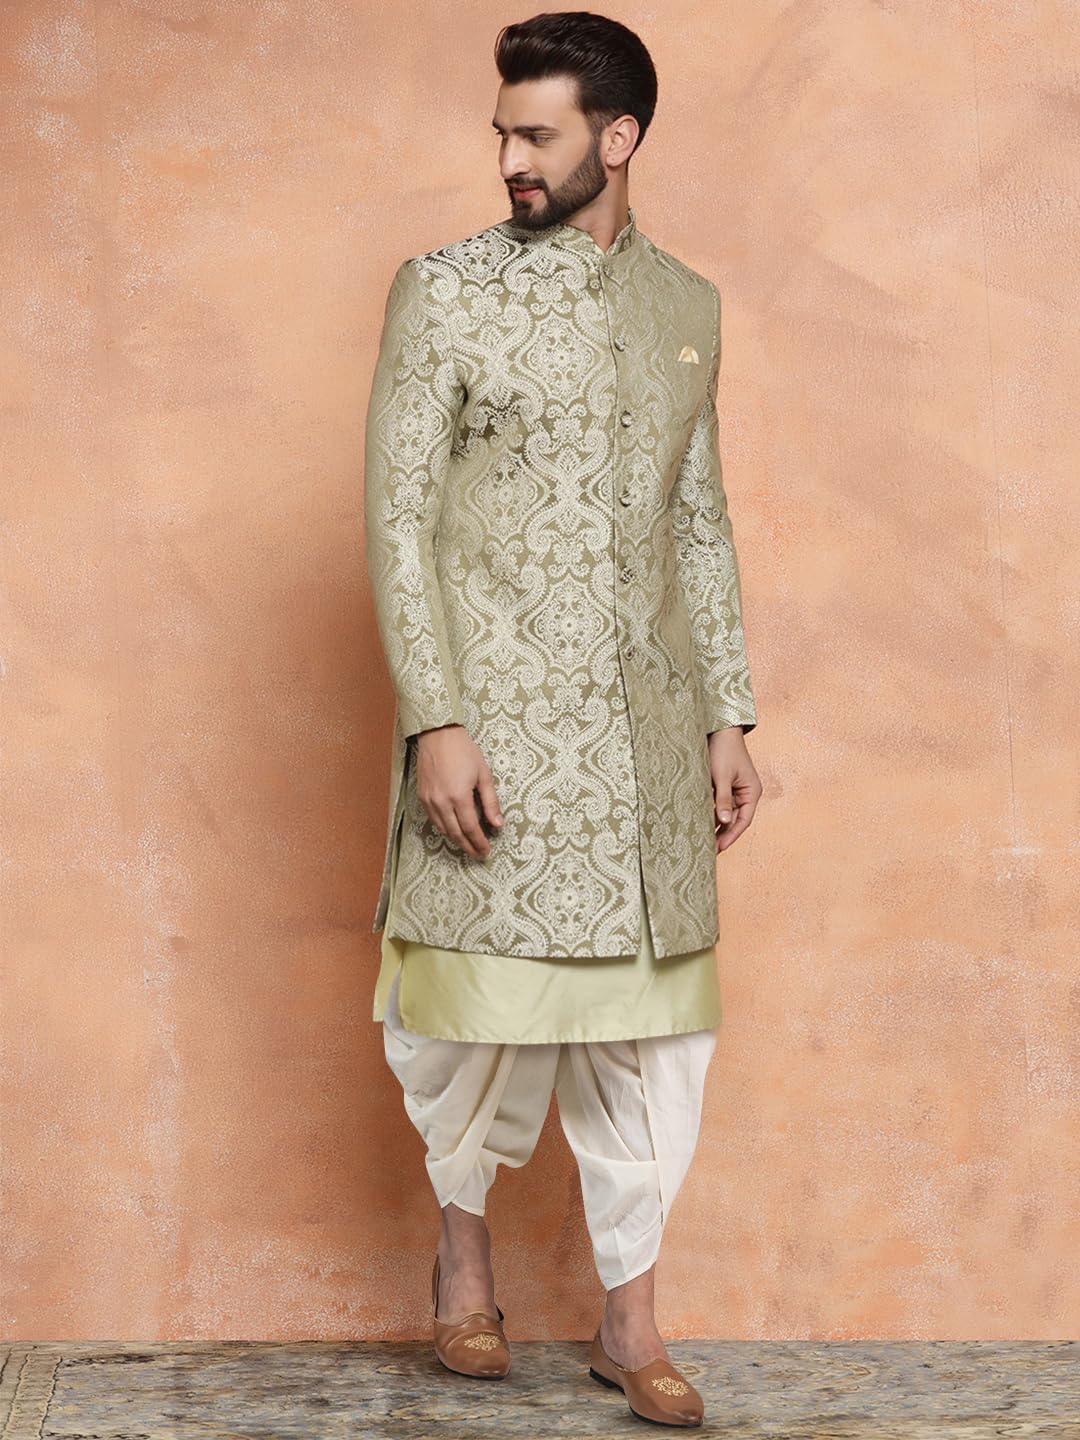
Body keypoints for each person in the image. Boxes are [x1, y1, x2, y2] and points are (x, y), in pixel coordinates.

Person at [363, 11, 762, 1428]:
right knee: (467, 1023)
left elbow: (697, 521)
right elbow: (399, 524)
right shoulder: (445, 292)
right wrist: (436, 721)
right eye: (503, 135)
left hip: (647, 740)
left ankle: (628, 1319)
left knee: (651, 1039)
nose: (510, 161)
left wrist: (730, 714)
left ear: (620, 136)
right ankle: (463, 1265)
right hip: (497, 728)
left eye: (536, 134)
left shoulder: (686, 307)